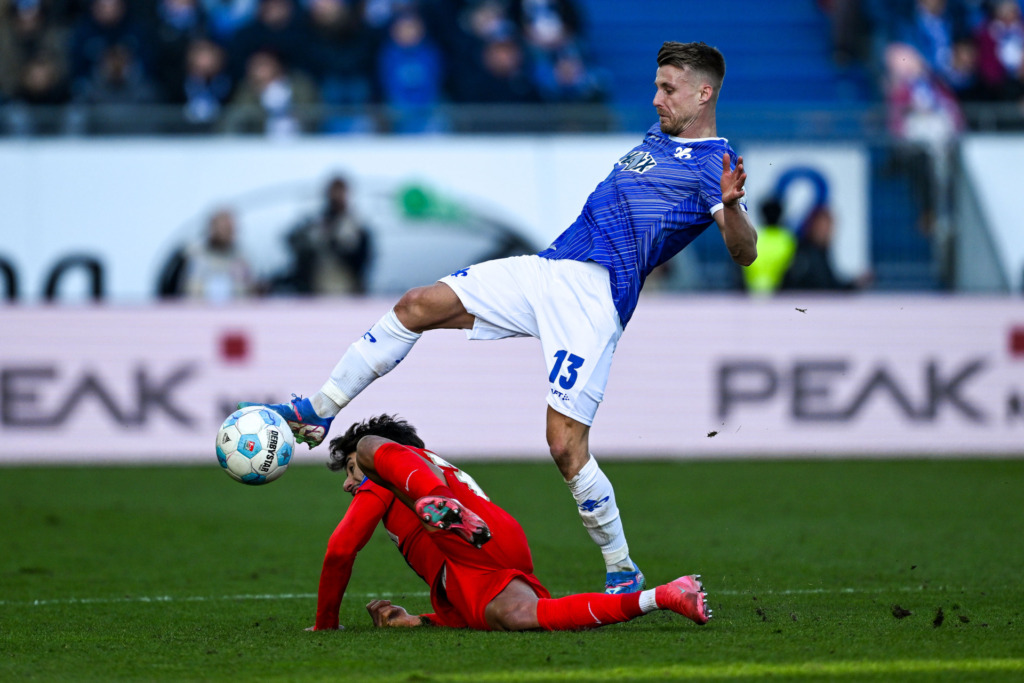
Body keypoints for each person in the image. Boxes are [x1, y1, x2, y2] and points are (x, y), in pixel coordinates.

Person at [246, 41, 757, 595]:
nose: (656, 98)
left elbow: (745, 252)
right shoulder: (658, 137)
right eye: (656, 85)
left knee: (564, 446)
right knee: (416, 305)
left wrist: (730, 207)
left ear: (703, 94)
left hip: (596, 297)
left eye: (668, 89)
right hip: (550, 267)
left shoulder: (715, 164)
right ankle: (318, 411)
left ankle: (622, 568)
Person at [312, 414, 711, 631]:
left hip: (460, 539)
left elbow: (340, 550)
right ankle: (664, 596)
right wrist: (420, 621)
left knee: (369, 445)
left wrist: (325, 624)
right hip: (484, 551)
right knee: (521, 617)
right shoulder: (426, 469)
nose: (348, 483)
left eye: (350, 470)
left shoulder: (384, 479)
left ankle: (438, 500)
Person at [279, 175, 372, 295]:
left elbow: (361, 259)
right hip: (316, 289)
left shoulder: (357, 227)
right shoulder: (315, 224)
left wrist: (335, 242)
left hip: (347, 289)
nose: (337, 197)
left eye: (341, 192)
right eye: (334, 192)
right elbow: (293, 240)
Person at [742, 196, 796, 295]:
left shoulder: (753, 237)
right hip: (781, 294)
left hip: (751, 293)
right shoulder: (788, 239)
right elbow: (792, 269)